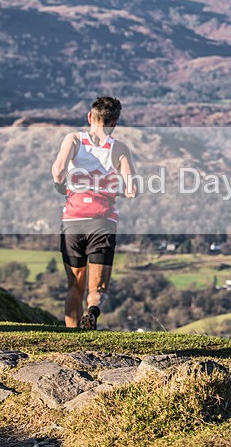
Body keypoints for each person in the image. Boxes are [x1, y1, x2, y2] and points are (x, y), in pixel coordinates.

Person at [51, 96, 137, 329]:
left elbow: (58, 171)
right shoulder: (119, 148)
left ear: (90, 117)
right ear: (115, 123)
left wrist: (63, 186)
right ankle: (92, 311)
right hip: (102, 223)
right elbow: (132, 190)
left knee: (74, 286)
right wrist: (110, 189)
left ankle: (71, 337)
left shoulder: (74, 140)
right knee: (97, 289)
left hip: (73, 221)